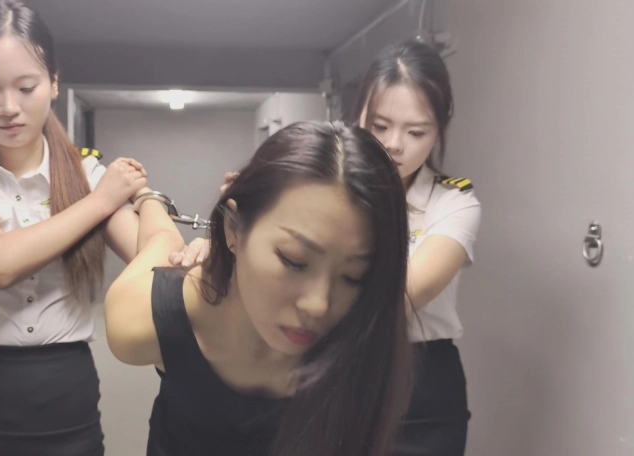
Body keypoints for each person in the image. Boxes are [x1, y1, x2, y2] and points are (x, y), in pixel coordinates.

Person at [0, 1, 204, 454]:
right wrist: (102, 200)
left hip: (65, 401)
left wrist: (146, 197)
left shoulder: (86, 172)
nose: (8, 108)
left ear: (53, 83)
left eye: (26, 87)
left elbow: (159, 261)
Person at [104, 121, 414, 456]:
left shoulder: (369, 333)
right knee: (164, 241)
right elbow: (158, 240)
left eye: (354, 275)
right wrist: (145, 197)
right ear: (233, 230)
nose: (318, 305)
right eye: (294, 261)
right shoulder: (142, 318)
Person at [349, 40, 482, 455]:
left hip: (422, 384)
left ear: (440, 128)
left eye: (416, 132)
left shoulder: (454, 203)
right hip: (332, 366)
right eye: (380, 126)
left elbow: (405, 294)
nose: (394, 144)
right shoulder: (321, 188)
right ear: (359, 116)